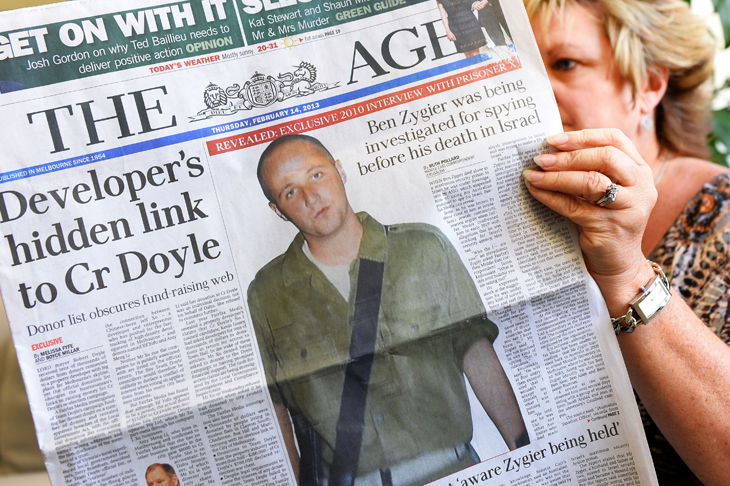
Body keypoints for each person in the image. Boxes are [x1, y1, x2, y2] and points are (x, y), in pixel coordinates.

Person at [522, 0, 730, 484]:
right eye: (521, 69)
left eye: (564, 64)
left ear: (648, 85)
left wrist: (627, 274)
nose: (534, 90)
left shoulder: (720, 216)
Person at [247, 134, 528, 486]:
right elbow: (276, 409)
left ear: (339, 171)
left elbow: (477, 354)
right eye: (290, 192)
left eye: (316, 175)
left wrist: (524, 454)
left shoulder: (423, 247)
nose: (310, 196)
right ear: (278, 210)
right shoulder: (267, 294)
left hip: (453, 470)